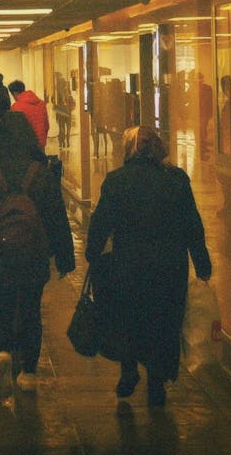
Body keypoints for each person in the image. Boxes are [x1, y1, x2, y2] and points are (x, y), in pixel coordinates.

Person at [86, 124, 212, 407]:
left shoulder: (117, 180)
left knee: (131, 319)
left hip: (129, 266)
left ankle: (129, 372)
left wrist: (92, 253)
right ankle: (157, 381)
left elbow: (101, 223)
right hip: (170, 267)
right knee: (164, 323)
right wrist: (202, 262)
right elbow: (193, 224)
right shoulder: (177, 180)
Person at [0, 107, 75, 396]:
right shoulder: (41, 174)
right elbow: (57, 219)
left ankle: (3, 350)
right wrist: (64, 257)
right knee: (30, 308)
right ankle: (28, 370)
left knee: (0, 304)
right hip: (33, 255)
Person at [8, 79, 50, 149]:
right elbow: (46, 125)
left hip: (26, 146)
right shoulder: (42, 104)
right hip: (41, 143)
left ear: (14, 93)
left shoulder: (16, 107)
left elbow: (15, 130)